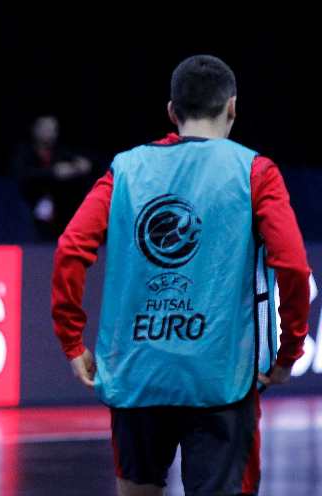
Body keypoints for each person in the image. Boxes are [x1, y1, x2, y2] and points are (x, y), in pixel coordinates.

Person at [51, 55, 310, 495]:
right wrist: (288, 353)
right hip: (222, 381)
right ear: (232, 107)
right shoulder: (255, 171)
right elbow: (293, 267)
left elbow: (70, 250)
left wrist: (72, 340)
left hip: (137, 375)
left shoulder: (127, 168)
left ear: (172, 111)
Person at [12, 114, 94, 240]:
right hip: (30, 201)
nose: (49, 132)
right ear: (35, 129)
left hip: (60, 206)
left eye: (53, 129)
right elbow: (24, 174)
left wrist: (79, 166)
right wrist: (53, 172)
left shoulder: (61, 151)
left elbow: (81, 164)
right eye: (45, 128)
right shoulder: (25, 151)